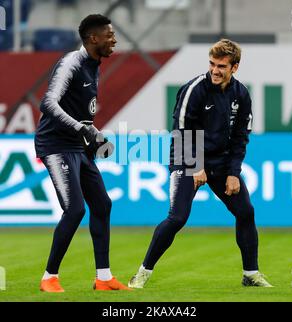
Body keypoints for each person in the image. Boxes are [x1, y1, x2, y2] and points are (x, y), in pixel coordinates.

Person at [128, 39, 273, 288]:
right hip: (186, 159)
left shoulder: (241, 94)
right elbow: (181, 131)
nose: (215, 71)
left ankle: (250, 274)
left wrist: (233, 173)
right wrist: (196, 167)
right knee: (177, 218)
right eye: (212, 64)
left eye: (222, 66)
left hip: (220, 161)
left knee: (246, 212)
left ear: (234, 68)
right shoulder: (194, 89)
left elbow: (240, 137)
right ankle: (142, 273)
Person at [35, 14, 131, 292]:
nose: (114, 40)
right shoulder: (71, 63)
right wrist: (83, 129)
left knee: (102, 204)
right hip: (54, 145)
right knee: (75, 209)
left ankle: (103, 279)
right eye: (109, 35)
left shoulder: (93, 66)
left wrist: (95, 135)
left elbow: (81, 114)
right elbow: (47, 103)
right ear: (93, 39)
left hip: (76, 145)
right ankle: (49, 278)